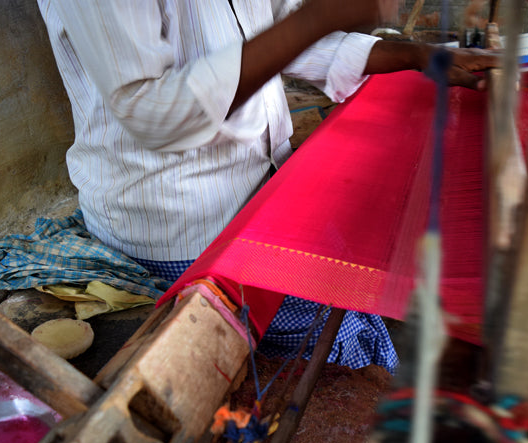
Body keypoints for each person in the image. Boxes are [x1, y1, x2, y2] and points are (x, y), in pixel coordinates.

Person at [37, 0, 497, 373]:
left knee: (355, 282)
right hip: (183, 221)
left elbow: (277, 34)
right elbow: (153, 112)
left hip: (266, 187)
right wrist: (317, 17)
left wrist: (412, 55)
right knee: (339, 342)